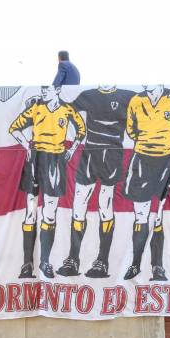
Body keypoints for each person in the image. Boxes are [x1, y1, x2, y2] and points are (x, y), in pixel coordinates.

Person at [56, 85, 135, 278]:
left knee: (105, 205)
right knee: (78, 203)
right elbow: (67, 109)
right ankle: (73, 259)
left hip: (112, 155)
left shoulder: (129, 96)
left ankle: (102, 261)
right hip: (90, 153)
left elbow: (149, 103)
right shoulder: (88, 95)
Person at [9, 85, 86, 278]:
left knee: (49, 213)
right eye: (42, 89)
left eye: (47, 89)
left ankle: (45, 262)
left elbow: (81, 130)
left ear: (58, 90)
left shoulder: (67, 109)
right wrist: (27, 145)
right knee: (30, 211)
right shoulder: (36, 108)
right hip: (36, 158)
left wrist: (71, 150)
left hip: (56, 160)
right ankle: (27, 264)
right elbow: (14, 128)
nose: (43, 91)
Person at [122, 84, 170, 281]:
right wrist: (146, 143)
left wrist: (168, 145)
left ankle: (157, 268)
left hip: (167, 160)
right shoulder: (136, 101)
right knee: (141, 215)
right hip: (142, 159)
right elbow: (131, 129)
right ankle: (135, 265)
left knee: (159, 215)